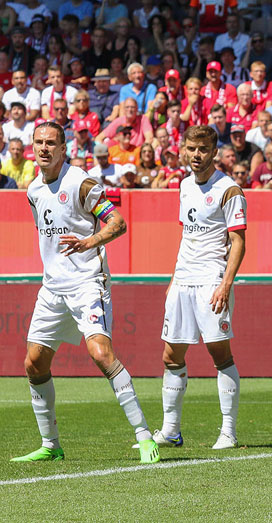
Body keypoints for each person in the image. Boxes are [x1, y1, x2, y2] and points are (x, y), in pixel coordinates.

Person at [12, 122, 159, 464]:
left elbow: (117, 223)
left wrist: (88, 242)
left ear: (64, 149)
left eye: (51, 143)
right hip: (52, 288)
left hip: (87, 282)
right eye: (39, 142)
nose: (44, 148)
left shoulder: (80, 182)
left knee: (100, 354)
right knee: (33, 364)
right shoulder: (33, 190)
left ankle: (145, 436)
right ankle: (51, 444)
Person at [153, 125, 246, 450]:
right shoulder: (184, 186)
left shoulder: (229, 189)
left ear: (214, 151)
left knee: (219, 353)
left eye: (203, 149)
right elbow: (186, 237)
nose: (196, 155)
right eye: (191, 149)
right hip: (183, 280)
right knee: (170, 354)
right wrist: (172, 281)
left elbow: (238, 242)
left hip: (211, 280)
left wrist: (225, 283)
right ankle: (171, 430)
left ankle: (228, 432)